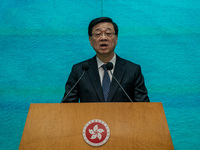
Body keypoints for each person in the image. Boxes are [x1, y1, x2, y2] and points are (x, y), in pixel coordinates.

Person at [61, 17, 149, 103]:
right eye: (98, 34)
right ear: (90, 40)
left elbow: (143, 108)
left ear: (116, 39)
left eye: (108, 33)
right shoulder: (80, 71)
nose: (103, 38)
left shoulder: (132, 70)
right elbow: (67, 107)